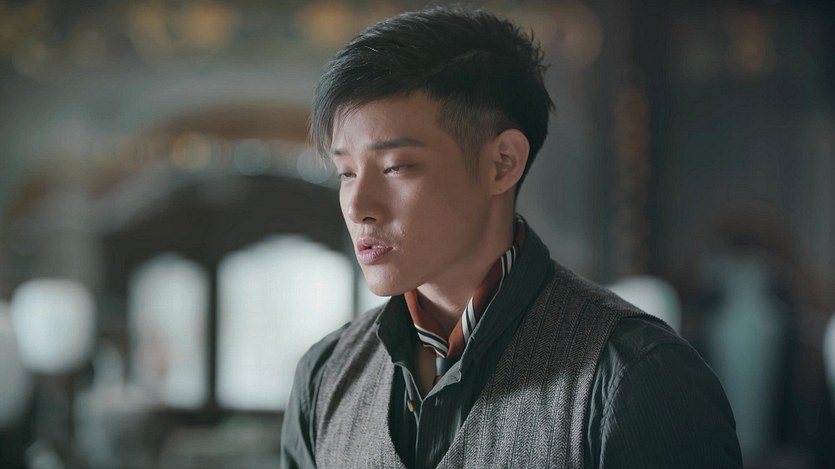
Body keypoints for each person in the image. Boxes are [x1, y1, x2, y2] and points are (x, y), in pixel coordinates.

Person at [281, 7, 742, 468]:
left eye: (395, 167)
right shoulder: (325, 376)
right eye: (345, 173)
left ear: (502, 163)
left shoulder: (636, 375)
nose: (358, 206)